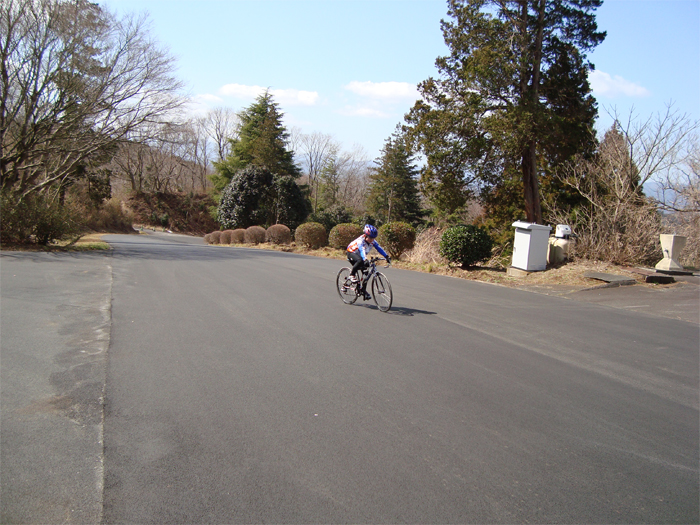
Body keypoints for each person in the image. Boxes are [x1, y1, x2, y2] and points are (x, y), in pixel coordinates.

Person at [347, 224, 391, 300]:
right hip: (352, 253)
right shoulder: (360, 241)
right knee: (360, 261)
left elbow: (379, 248)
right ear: (366, 235)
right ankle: (352, 275)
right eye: (370, 238)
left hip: (360, 255)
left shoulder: (373, 241)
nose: (372, 240)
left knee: (366, 274)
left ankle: (362, 290)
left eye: (373, 238)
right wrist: (365, 259)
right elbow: (362, 250)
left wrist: (386, 256)